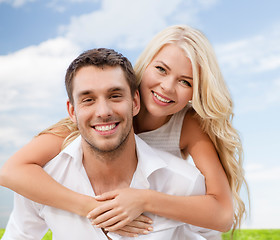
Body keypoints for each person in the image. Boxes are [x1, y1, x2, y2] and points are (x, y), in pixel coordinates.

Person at [0, 25, 248, 238]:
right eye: (161, 69)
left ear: (197, 92)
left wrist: (144, 200)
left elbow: (222, 214)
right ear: (145, 66)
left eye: (186, 81)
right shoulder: (91, 123)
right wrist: (94, 208)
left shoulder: (187, 127)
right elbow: (11, 171)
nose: (167, 87)